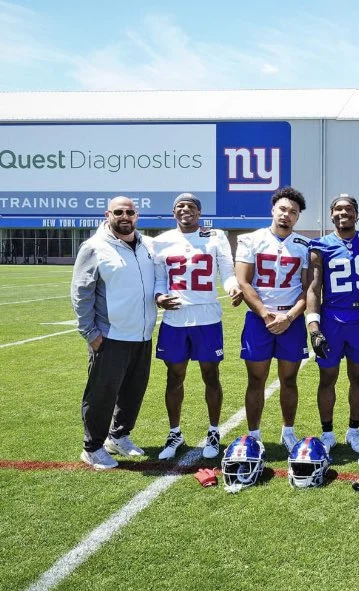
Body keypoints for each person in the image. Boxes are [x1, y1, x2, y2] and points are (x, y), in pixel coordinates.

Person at [150, 193, 241, 461]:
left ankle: (214, 431)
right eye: (180, 206)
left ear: (199, 212)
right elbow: (158, 279)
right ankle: (174, 432)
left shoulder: (216, 236)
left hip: (207, 318)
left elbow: (227, 270)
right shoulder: (160, 241)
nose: (185, 209)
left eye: (191, 206)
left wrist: (233, 287)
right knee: (174, 376)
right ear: (173, 212)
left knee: (210, 375)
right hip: (175, 319)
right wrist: (158, 297)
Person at [71, 196, 157, 470]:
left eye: (129, 212)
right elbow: (81, 293)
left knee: (133, 391)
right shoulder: (95, 247)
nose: (124, 216)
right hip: (110, 336)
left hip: (141, 334)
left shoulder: (146, 245)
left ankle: (118, 436)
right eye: (118, 212)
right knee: (102, 394)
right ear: (108, 214)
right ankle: (92, 447)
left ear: (137, 215)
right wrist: (90, 332)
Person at [235, 187, 312, 452]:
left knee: (289, 380)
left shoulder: (303, 246)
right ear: (273, 210)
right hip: (260, 319)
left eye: (293, 212)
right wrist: (266, 314)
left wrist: (289, 317)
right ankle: (254, 434)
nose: (286, 215)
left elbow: (309, 290)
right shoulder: (251, 240)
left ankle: (287, 431)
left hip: (291, 318)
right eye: (283, 209)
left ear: (298, 217)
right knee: (256, 380)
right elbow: (244, 282)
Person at [305, 194, 359, 453]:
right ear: (331, 214)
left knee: (358, 377)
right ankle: (327, 433)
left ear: (357, 214)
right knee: (328, 378)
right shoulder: (319, 246)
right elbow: (313, 288)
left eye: (348, 209)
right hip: (332, 319)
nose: (343, 212)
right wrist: (314, 327)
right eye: (337, 209)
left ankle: (354, 431)